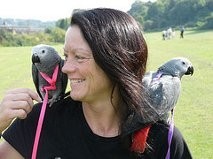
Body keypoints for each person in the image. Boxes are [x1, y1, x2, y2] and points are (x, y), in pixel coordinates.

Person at [0, 8, 192, 159]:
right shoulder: (41, 121)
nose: (65, 68)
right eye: (66, 56)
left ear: (117, 63)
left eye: (79, 57)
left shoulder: (163, 140)